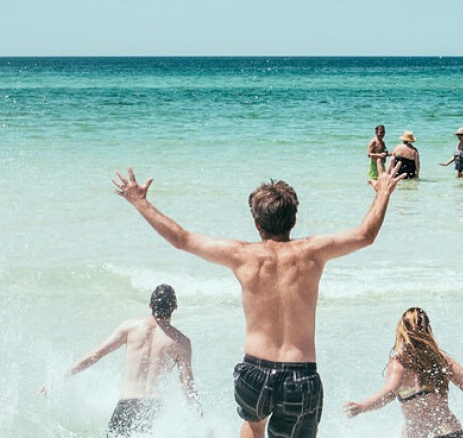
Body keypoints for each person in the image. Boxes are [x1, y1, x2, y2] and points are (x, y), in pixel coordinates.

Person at [111, 163, 406, 438]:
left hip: (255, 372)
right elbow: (366, 234)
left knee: (253, 423)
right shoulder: (313, 252)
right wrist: (383, 192)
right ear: (293, 219)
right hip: (300, 375)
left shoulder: (242, 255)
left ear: (256, 223)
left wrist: (140, 202)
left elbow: (181, 239)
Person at [41, 284, 203, 437]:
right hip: (153, 409)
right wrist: (199, 418)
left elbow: (96, 354)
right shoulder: (181, 342)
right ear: (175, 307)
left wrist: (60, 378)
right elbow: (187, 383)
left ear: (150, 305)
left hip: (126, 406)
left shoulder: (131, 328)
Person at [342, 308, 463, 438]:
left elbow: (389, 393)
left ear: (402, 331)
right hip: (449, 432)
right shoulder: (441, 360)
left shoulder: (400, 363)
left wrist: (361, 407)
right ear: (428, 329)